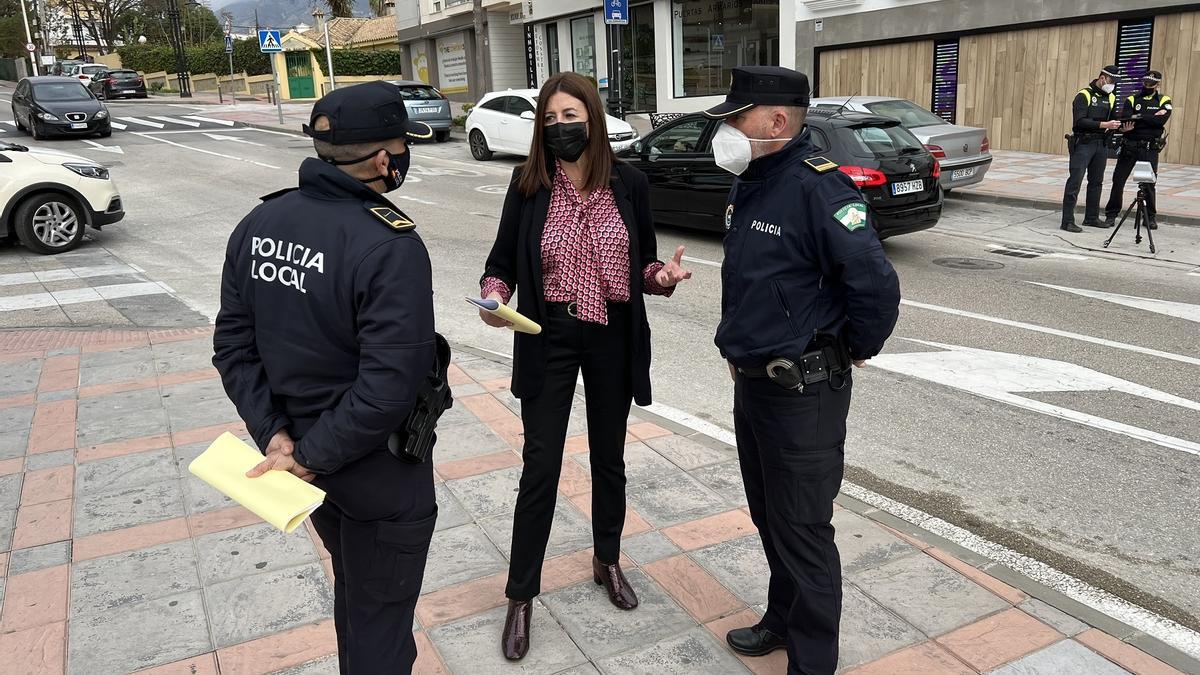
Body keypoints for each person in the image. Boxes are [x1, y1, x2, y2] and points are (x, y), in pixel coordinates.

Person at [212, 81, 440, 674]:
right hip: (376, 476)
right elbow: (388, 387)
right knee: (381, 627)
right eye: (401, 146)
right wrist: (307, 456)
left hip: (307, 469)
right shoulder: (390, 244)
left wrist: (276, 437)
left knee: (357, 595)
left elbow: (233, 349)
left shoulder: (259, 223)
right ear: (387, 159)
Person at [478, 71, 692, 661]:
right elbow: (500, 263)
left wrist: (662, 278)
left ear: (592, 119)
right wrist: (494, 299)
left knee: (610, 458)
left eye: (570, 117)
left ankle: (607, 559)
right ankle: (521, 595)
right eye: (549, 120)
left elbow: (644, 265)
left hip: (612, 336)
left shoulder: (629, 183)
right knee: (540, 464)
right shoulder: (527, 187)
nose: (559, 128)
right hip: (549, 334)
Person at [702, 66, 901, 675]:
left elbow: (874, 283)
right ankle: (782, 619)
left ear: (777, 120)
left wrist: (848, 351)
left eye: (738, 118)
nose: (728, 130)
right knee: (770, 515)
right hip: (755, 384)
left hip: (803, 392)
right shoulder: (753, 183)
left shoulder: (821, 189)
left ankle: (813, 663)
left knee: (804, 528)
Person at [1105, 69, 1172, 229]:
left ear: (1157, 84)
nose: (1147, 85)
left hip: (1148, 149)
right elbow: (1126, 120)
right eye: (1145, 82)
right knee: (1118, 181)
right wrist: (1150, 117)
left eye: (1151, 83)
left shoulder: (1164, 100)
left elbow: (1160, 121)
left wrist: (1139, 117)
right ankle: (1111, 214)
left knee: (1147, 183)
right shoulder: (1132, 99)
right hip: (1129, 146)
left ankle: (1149, 217)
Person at [1062, 65, 1123, 233]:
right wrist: (1105, 124)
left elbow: (1113, 120)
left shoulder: (1110, 97)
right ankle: (1067, 221)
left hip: (1101, 144)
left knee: (1096, 182)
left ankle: (1091, 217)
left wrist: (1121, 127)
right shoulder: (1084, 95)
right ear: (1102, 78)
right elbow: (1079, 121)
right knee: (1075, 181)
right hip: (1083, 143)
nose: (1113, 85)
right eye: (1112, 81)